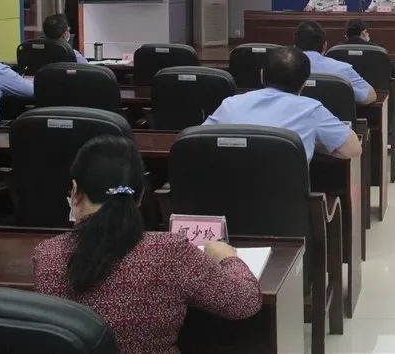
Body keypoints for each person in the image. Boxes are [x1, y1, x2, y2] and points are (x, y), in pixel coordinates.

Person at [33, 136, 263, 354]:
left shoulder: (48, 255)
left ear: (75, 192)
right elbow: (244, 302)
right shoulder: (169, 251)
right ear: (141, 195)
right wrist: (228, 258)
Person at [203, 45, 363, 160]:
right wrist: (312, 142)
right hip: (285, 197)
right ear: (304, 84)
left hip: (222, 195)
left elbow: (198, 142)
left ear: (261, 75)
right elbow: (353, 149)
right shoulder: (311, 109)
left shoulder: (230, 104)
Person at [293, 21, 377, 105]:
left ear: (295, 46)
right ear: (325, 46)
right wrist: (342, 88)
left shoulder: (286, 69)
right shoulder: (342, 69)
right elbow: (369, 96)